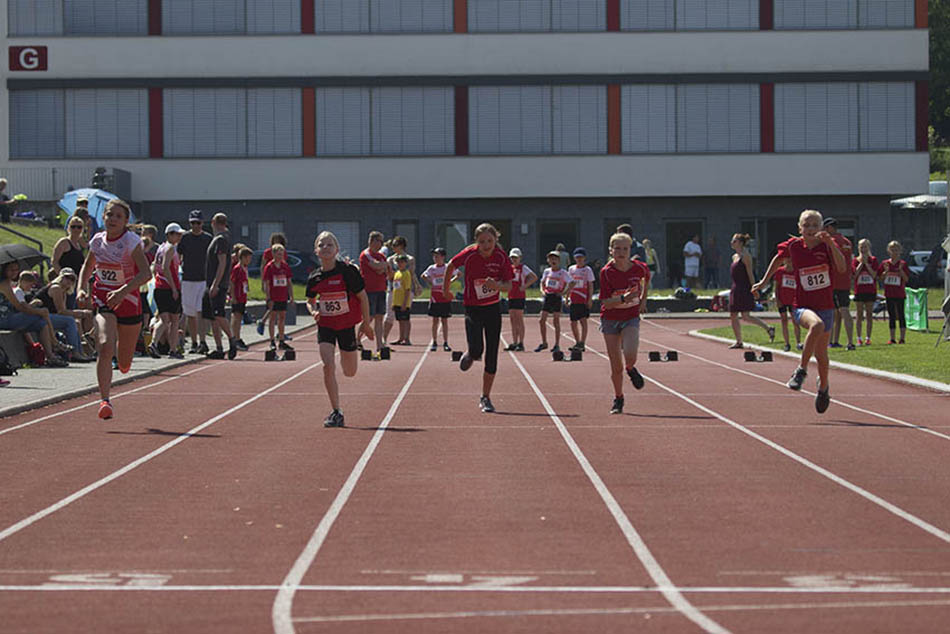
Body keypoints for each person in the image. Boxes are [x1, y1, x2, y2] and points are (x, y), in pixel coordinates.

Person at [752, 209, 846, 414]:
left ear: (821, 228)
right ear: (799, 228)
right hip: (803, 306)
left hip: (826, 305)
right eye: (806, 225)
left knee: (822, 357)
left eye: (814, 225)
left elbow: (841, 268)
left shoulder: (828, 246)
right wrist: (763, 281)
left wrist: (831, 243)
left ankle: (824, 388)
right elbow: (777, 260)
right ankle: (801, 370)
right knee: (817, 325)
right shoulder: (793, 246)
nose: (811, 229)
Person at [78, 198, 152, 419]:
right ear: (103, 217)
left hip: (128, 303)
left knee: (124, 362)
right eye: (109, 215)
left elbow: (146, 274)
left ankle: (122, 358)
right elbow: (87, 266)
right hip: (103, 300)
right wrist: (81, 289)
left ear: (125, 221)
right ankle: (104, 400)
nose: (113, 219)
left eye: (118, 216)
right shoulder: (97, 241)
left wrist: (122, 291)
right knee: (104, 345)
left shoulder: (131, 242)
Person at [305, 231, 374, 428]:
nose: (325, 248)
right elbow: (309, 301)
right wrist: (314, 311)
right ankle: (336, 411)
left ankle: (352, 353)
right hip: (326, 326)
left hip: (346, 326)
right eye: (321, 245)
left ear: (336, 249)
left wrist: (366, 323)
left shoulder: (347, 271)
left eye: (329, 244)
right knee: (328, 365)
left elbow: (363, 297)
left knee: (350, 372)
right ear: (316, 251)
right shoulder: (315, 277)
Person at [443, 223, 514, 413]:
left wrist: (497, 286)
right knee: (476, 349)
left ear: (496, 240)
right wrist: (445, 290)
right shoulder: (470, 254)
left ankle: (485, 396)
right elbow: (450, 265)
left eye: (490, 241)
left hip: (492, 309)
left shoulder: (501, 257)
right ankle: (471, 354)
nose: (486, 245)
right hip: (473, 308)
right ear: (476, 242)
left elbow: (509, 285)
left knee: (492, 355)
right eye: (482, 241)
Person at [599, 232, 650, 415]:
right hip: (610, 319)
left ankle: (631, 368)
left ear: (630, 250)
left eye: (625, 249)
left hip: (630, 317)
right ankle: (618, 397)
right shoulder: (606, 272)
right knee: (615, 365)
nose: (621, 252)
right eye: (617, 249)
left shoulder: (640, 268)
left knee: (630, 354)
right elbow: (605, 302)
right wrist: (623, 298)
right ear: (611, 250)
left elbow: (646, 281)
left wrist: (643, 300)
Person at [0, 262, 69, 367]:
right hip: (4, 319)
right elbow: (19, 307)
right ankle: (54, 344)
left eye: (16, 269)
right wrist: (39, 312)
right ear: (4, 270)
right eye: (11, 269)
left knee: (41, 323)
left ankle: (50, 355)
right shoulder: (4, 284)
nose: (14, 272)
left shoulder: (9, 283)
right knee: (40, 316)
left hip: (10, 316)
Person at [29, 267, 96, 362]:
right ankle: (75, 353)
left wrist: (80, 314)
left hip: (48, 316)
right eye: (67, 277)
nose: (69, 281)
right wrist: (82, 313)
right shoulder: (56, 288)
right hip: (39, 316)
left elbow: (63, 311)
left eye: (72, 279)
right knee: (69, 321)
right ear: (61, 277)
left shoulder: (63, 291)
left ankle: (81, 353)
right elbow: (61, 311)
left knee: (75, 322)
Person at [727, 233, 774, 349]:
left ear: (740, 243)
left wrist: (754, 288)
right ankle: (739, 341)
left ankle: (768, 328)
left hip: (744, 288)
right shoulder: (734, 257)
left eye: (734, 241)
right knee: (733, 315)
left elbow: (750, 274)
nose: (732, 243)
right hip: (735, 288)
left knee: (745, 316)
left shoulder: (746, 256)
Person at [202, 212, 236, 360]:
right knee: (212, 317)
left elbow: (222, 263)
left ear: (213, 223)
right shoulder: (219, 239)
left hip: (217, 284)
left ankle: (232, 339)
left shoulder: (221, 240)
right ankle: (219, 348)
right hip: (211, 283)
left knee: (218, 314)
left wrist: (216, 284)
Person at [177, 209, 212, 354]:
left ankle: (203, 341)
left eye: (198, 222)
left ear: (202, 223)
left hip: (202, 280)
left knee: (201, 312)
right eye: (193, 223)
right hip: (187, 279)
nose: (195, 225)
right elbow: (178, 257)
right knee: (190, 312)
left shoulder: (208, 238)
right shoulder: (185, 238)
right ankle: (194, 342)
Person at [149, 223, 184, 359]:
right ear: (170, 235)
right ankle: (173, 349)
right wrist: (174, 288)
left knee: (164, 319)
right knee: (174, 320)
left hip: (159, 287)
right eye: (177, 234)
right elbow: (165, 268)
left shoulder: (160, 248)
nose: (179, 236)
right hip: (168, 288)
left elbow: (156, 267)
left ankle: (154, 343)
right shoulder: (169, 248)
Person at [823, 218, 855, 350]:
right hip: (845, 281)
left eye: (825, 228)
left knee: (834, 311)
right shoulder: (847, 242)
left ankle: (829, 340)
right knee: (842, 311)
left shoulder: (832, 242)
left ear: (830, 228)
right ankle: (846, 341)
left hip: (833, 281)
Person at [383, 236, 420, 345]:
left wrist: (417, 285)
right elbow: (389, 276)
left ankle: (405, 338)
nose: (393, 248)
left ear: (402, 246)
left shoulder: (410, 259)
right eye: (392, 245)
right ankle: (384, 338)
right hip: (393, 290)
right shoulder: (390, 259)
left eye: (395, 245)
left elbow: (411, 273)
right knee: (390, 314)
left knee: (405, 315)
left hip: (407, 289)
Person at [536, 250, 573, 354]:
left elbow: (572, 282)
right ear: (548, 260)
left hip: (556, 297)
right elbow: (542, 282)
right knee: (541, 320)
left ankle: (557, 344)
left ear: (559, 260)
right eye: (551, 258)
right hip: (548, 296)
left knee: (556, 321)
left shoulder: (563, 272)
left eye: (555, 258)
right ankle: (544, 342)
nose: (553, 260)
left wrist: (564, 293)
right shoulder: (547, 271)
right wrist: (542, 291)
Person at [358, 231, 389, 355]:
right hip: (369, 290)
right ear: (373, 241)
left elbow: (385, 270)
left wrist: (382, 266)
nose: (381, 244)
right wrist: (382, 266)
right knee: (368, 318)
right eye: (379, 241)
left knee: (379, 317)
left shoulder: (381, 256)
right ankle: (357, 339)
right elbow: (376, 267)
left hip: (381, 289)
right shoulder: (366, 254)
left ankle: (379, 344)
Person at [421, 247, 455, 352]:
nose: (435, 258)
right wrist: (430, 281)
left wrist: (450, 281)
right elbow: (423, 275)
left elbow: (458, 274)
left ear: (443, 257)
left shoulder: (447, 267)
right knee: (435, 321)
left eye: (437, 256)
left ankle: (445, 342)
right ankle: (434, 342)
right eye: (434, 256)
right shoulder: (432, 268)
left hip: (444, 297)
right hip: (435, 297)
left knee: (444, 320)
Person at [262, 244, 294, 353]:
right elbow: (266, 283)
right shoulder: (269, 267)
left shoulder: (285, 267)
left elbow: (289, 282)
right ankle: (271, 340)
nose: (280, 256)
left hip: (283, 296)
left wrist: (292, 297)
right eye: (278, 254)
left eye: (282, 254)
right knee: (272, 318)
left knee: (282, 318)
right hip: (273, 297)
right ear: (273, 254)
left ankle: (281, 340)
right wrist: (268, 298)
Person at [504, 247, 536, 352]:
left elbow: (534, 277)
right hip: (511, 295)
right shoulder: (509, 268)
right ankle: (514, 342)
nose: (514, 260)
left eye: (516, 258)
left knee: (519, 319)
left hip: (519, 296)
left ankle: (521, 342)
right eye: (512, 258)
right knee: (512, 319)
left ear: (520, 258)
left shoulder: (523, 268)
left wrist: (525, 286)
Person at [256, 232, 287, 336]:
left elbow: (285, 266)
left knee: (280, 310)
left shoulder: (283, 252)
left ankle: (280, 332)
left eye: (279, 241)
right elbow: (263, 266)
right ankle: (264, 322)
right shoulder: (268, 252)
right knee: (272, 306)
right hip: (270, 282)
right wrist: (262, 282)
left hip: (281, 284)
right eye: (275, 240)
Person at [879, 240, 910, 344]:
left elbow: (906, 279)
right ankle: (892, 338)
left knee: (901, 314)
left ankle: (902, 338)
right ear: (889, 251)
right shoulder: (885, 263)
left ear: (900, 251)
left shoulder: (903, 264)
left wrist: (900, 271)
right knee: (891, 315)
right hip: (889, 293)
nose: (894, 252)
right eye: (892, 250)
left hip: (900, 293)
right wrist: (886, 271)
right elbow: (881, 278)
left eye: (896, 250)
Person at [852, 238, 880, 346]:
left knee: (869, 314)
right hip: (859, 290)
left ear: (869, 248)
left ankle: (868, 337)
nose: (863, 249)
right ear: (858, 248)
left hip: (870, 290)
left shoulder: (873, 260)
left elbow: (874, 275)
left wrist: (867, 264)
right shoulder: (855, 260)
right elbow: (854, 276)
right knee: (859, 314)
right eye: (861, 247)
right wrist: (861, 264)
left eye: (865, 247)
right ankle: (859, 337)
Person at [568, 247, 595, 352]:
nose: (579, 259)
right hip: (574, 299)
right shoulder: (571, 269)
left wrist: (590, 299)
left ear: (584, 258)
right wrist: (566, 297)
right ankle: (577, 341)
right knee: (573, 322)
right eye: (577, 257)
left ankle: (582, 342)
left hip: (583, 299)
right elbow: (569, 284)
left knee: (583, 321)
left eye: (581, 257)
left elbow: (590, 285)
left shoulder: (587, 270)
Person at [773, 258, 801, 352]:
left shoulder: (797, 271)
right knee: (784, 320)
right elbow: (776, 287)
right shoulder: (780, 271)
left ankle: (798, 342)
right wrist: (777, 300)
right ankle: (787, 343)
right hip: (783, 299)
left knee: (795, 321)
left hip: (794, 300)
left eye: (791, 260)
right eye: (787, 260)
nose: (789, 262)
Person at [229, 245, 252, 352]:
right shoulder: (237, 269)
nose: (249, 260)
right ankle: (235, 338)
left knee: (240, 317)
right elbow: (232, 283)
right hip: (237, 297)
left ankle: (237, 337)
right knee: (236, 317)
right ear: (242, 257)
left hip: (243, 297)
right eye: (247, 258)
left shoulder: (245, 268)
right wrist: (233, 297)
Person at [391, 254, 413, 345]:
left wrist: (404, 303)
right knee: (400, 321)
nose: (400, 264)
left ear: (405, 263)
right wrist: (393, 302)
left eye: (402, 262)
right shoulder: (397, 273)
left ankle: (407, 338)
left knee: (406, 320)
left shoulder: (406, 274)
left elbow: (407, 289)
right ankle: (401, 337)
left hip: (403, 302)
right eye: (398, 262)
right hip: (397, 301)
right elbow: (395, 288)